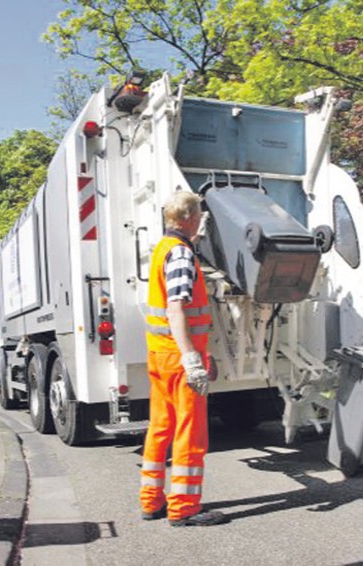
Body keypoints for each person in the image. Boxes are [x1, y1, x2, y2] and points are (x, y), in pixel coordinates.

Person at [140, 191, 228, 526]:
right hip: (178, 360)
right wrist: (193, 359)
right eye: (201, 214)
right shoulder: (180, 254)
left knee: (160, 428)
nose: (202, 220)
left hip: (162, 356)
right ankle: (183, 509)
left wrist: (203, 354)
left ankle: (151, 502)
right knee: (190, 432)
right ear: (189, 217)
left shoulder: (163, 248)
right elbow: (177, 308)